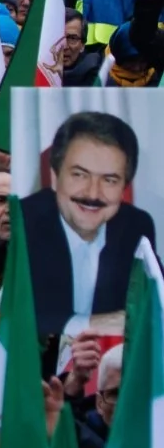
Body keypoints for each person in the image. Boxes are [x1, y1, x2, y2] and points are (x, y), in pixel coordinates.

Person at [20, 110, 158, 336]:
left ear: (124, 187)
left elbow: (147, 312)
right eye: (79, 175)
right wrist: (90, 325)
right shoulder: (25, 221)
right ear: (55, 177)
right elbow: (21, 317)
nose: (93, 193)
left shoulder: (137, 227)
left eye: (109, 180)